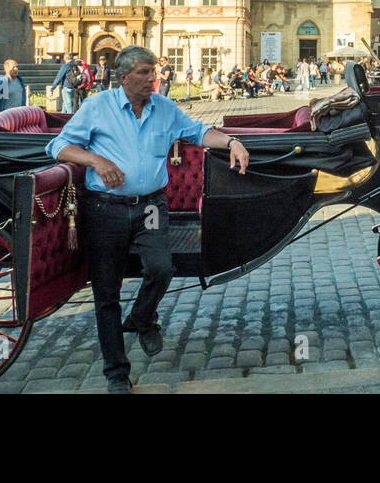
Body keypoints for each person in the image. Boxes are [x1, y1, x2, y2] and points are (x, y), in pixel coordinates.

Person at [46, 46, 249, 394]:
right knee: (106, 292)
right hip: (105, 209)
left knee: (161, 267)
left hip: (151, 207)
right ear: (124, 77)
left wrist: (232, 141)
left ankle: (141, 317)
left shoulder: (164, 108)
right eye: (143, 72)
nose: (152, 78)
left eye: (153, 72)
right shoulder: (98, 106)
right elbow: (58, 146)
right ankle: (116, 373)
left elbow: (197, 132)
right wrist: (95, 161)